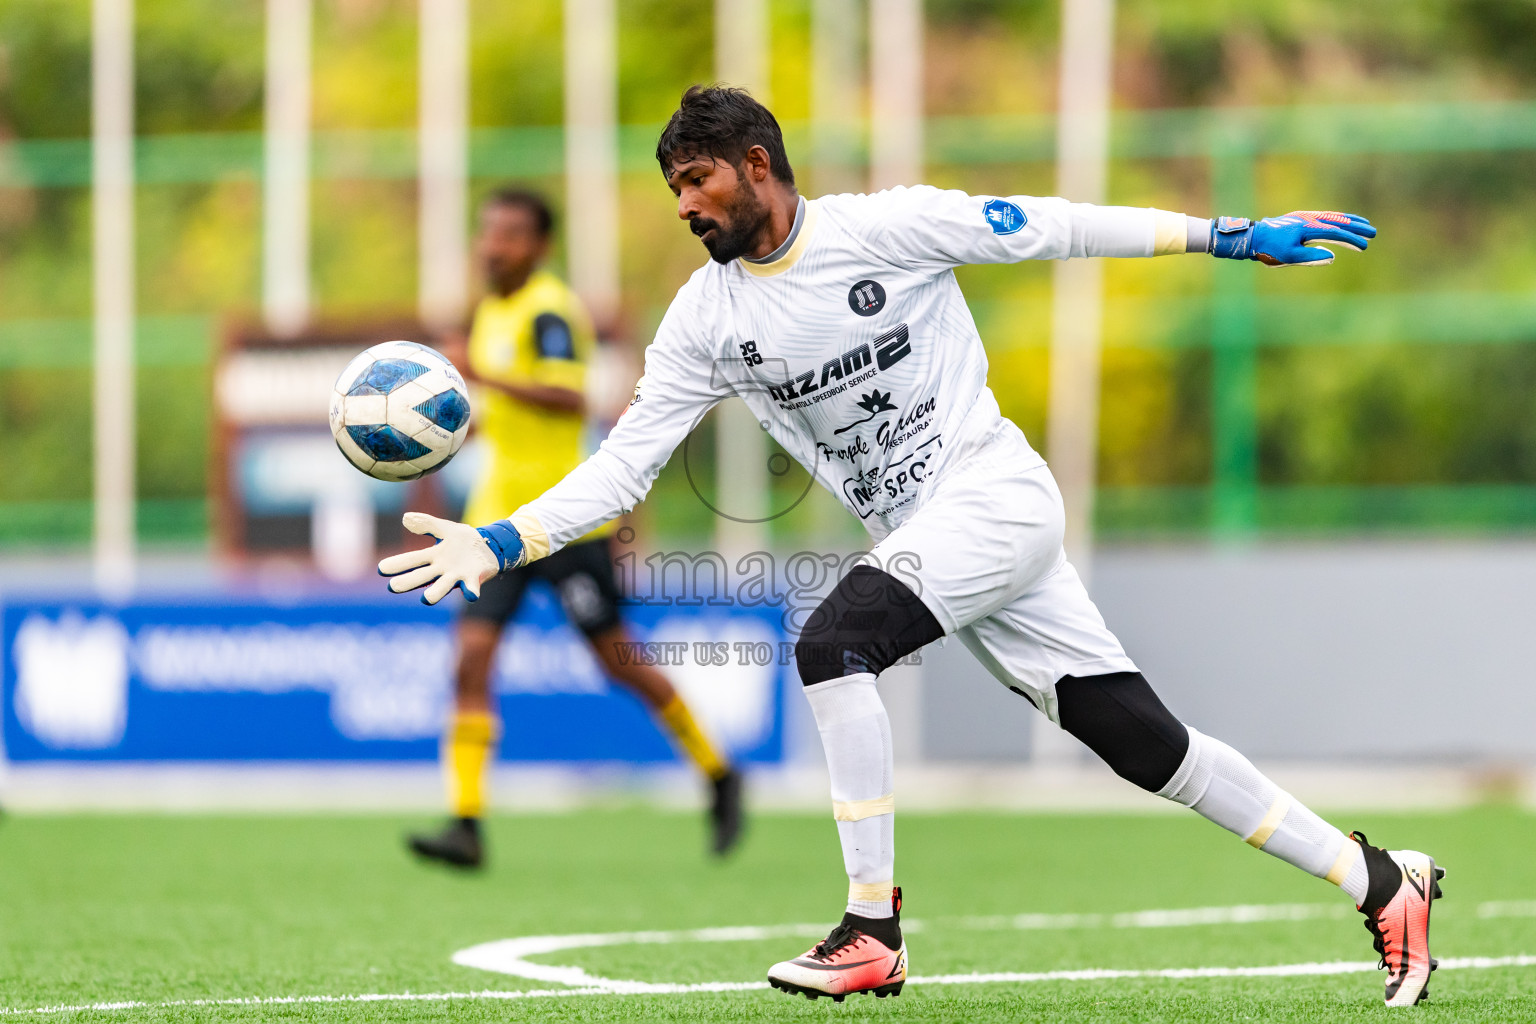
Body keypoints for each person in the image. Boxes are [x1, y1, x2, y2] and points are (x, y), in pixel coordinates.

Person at [379, 89, 1441, 1007]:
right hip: (939, 537)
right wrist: (498, 538)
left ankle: (871, 930)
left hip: (994, 496)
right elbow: (624, 467)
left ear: (758, 165)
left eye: (698, 180)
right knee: (1145, 744)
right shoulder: (703, 320)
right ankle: (1379, 879)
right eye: (674, 191)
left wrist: (1228, 234)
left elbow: (1059, 227)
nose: (686, 205)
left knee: (833, 643)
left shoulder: (892, 227)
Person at [405, 187, 743, 868]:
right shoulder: (490, 314)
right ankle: (465, 823)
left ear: (538, 246)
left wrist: (482, 375)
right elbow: (504, 418)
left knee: (618, 663)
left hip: (565, 524)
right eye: (487, 232)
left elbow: (567, 400)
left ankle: (718, 773)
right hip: (494, 526)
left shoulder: (550, 311)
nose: (491, 245)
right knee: (471, 660)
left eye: (508, 235)